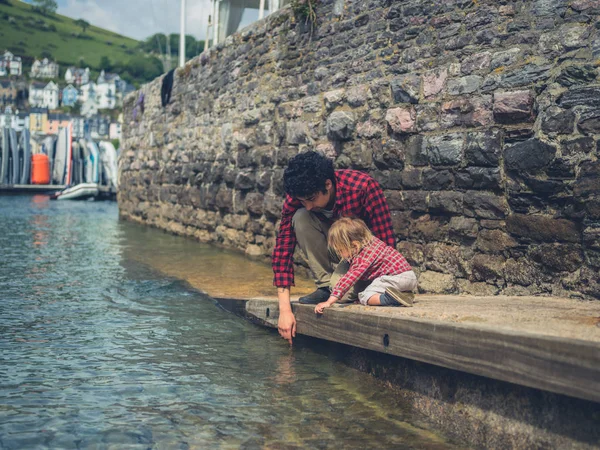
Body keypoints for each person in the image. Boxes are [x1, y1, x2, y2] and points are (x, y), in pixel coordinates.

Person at [272, 151, 397, 344]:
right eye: (302, 200)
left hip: (363, 261)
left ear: (328, 185)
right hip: (333, 252)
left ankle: (340, 287)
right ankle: (326, 286)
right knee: (301, 217)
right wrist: (285, 311)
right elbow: (283, 251)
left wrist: (379, 287)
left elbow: (386, 242)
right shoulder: (300, 199)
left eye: (311, 199)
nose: (307, 205)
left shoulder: (363, 187)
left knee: (344, 294)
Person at [314, 217, 417, 314]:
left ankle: (390, 299)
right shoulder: (372, 242)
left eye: (341, 250)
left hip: (395, 277)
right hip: (409, 277)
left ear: (355, 245)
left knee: (365, 296)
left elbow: (349, 278)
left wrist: (329, 302)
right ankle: (402, 295)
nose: (340, 254)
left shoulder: (363, 257)